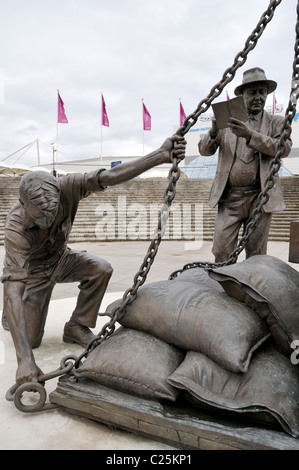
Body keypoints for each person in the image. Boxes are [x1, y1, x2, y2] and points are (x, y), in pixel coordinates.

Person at [1, 134, 186, 387]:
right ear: (23, 205)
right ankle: (12, 315)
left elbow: (109, 177)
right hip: (33, 274)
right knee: (30, 341)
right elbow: (12, 287)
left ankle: (77, 326)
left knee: (100, 269)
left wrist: (160, 155)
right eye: (39, 217)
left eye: (51, 213)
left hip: (61, 259)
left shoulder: (67, 186)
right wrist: (24, 360)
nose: (47, 221)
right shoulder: (15, 226)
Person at [198, 67, 292, 263]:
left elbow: (283, 148)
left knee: (256, 255)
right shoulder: (227, 122)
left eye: (262, 92)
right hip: (230, 198)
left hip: (260, 196)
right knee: (221, 251)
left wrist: (250, 135)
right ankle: (226, 289)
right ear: (241, 95)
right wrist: (214, 132)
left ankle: (251, 292)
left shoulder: (276, 122)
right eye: (252, 92)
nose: (258, 97)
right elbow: (204, 150)